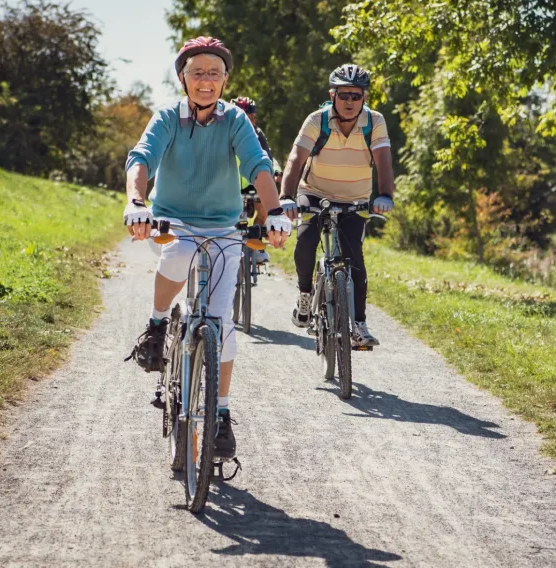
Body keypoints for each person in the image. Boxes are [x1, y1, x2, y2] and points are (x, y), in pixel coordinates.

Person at [123, 37, 292, 460]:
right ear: (183, 78)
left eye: (214, 73)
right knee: (178, 254)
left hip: (222, 227)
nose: (206, 81)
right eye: (197, 72)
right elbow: (142, 157)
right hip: (171, 220)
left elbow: (258, 165)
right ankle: (158, 324)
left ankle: (220, 413)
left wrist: (273, 212)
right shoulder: (167, 117)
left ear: (224, 80)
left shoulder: (236, 119)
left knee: (222, 325)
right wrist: (136, 203)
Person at [279, 64, 394, 347]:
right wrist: (286, 197)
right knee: (305, 241)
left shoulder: (374, 121)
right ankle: (305, 296)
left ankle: (359, 323)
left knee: (354, 255)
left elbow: (383, 159)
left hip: (355, 198)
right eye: (344, 95)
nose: (350, 102)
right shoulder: (317, 120)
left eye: (356, 96)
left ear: (364, 97)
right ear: (333, 95)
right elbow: (296, 159)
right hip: (315, 192)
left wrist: (385, 195)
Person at [232, 96, 281, 264]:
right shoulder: (224, 132)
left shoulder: (258, 134)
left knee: (265, 210)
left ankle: (257, 245)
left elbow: (268, 158)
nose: (248, 122)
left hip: (251, 183)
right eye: (243, 117)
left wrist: (276, 171)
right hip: (229, 184)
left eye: (251, 117)